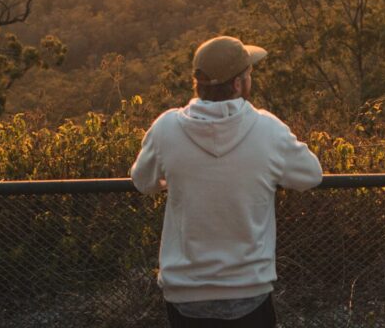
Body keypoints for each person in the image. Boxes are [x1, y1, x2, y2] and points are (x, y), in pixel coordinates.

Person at [131, 35, 323, 327]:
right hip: (248, 289)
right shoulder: (267, 130)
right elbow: (311, 175)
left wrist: (173, 180)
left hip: (185, 291)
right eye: (248, 74)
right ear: (237, 84)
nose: (250, 78)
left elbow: (142, 181)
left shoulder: (166, 129)